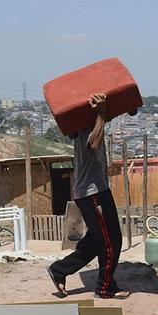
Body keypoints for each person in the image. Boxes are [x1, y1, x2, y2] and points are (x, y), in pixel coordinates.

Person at [47, 93, 128, 299]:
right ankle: (104, 287)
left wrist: (123, 106)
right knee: (110, 241)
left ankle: (59, 270)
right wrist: (101, 114)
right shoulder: (86, 126)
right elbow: (95, 144)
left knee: (95, 241)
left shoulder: (85, 121)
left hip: (97, 190)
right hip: (92, 193)